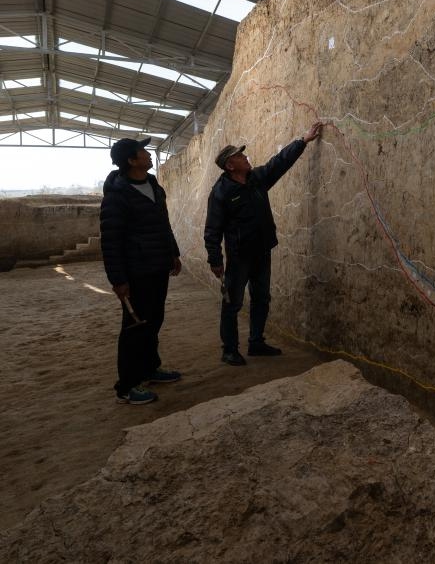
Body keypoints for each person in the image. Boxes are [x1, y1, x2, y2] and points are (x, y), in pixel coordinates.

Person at [204, 122, 324, 366]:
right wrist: (215, 259)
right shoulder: (221, 193)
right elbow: (212, 229)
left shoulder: (256, 179)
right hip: (239, 257)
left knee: (262, 298)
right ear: (230, 165)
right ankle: (229, 350)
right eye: (239, 156)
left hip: (262, 251)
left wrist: (303, 140)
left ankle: (256, 343)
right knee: (233, 302)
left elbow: (279, 163)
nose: (245, 157)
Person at [100, 136, 183, 405]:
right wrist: (118, 280)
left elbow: (163, 223)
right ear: (131, 161)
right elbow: (110, 240)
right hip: (136, 271)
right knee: (135, 327)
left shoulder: (153, 186)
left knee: (154, 320)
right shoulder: (117, 194)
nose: (148, 156)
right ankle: (127, 385)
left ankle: (150, 369)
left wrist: (173, 253)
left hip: (158, 265)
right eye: (143, 153)